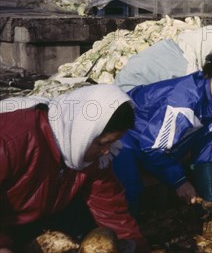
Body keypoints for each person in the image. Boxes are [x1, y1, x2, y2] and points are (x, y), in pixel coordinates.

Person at [112, 53, 212, 215]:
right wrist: (180, 181)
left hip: (161, 144)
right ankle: (127, 233)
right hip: (129, 135)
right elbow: (153, 147)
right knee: (129, 186)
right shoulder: (184, 102)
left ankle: (209, 194)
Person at [0, 85, 147, 252]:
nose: (107, 151)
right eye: (102, 143)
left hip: (36, 222)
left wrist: (136, 246)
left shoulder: (87, 154)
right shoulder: (11, 141)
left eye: (111, 143)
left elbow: (111, 209)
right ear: (84, 132)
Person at [114, 25, 212, 92]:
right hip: (127, 103)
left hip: (119, 92)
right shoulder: (183, 67)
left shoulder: (172, 46)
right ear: (207, 48)